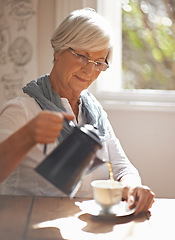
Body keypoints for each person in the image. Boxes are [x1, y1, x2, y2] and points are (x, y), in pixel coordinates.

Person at [0, 8, 154, 215]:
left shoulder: (95, 114)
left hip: (80, 224)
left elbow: (123, 167)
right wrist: (27, 136)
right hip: (24, 224)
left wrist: (133, 186)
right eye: (82, 56)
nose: (89, 71)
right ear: (58, 50)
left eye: (99, 63)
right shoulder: (21, 110)